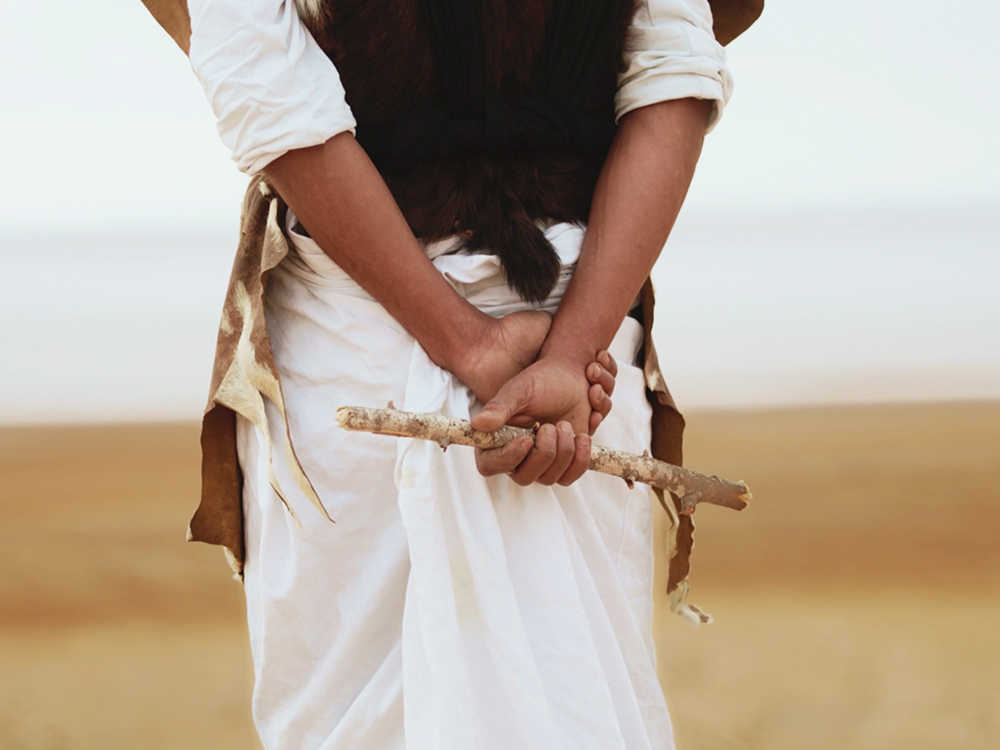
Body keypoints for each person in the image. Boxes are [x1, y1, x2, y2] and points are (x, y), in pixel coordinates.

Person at [144, 0, 761, 746]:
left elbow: (270, 87)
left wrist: (479, 346)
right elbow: (674, 73)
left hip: (355, 352)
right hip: (575, 344)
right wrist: (568, 354)